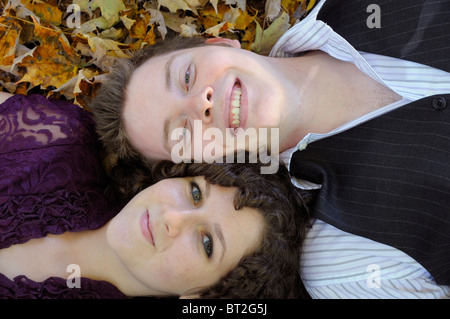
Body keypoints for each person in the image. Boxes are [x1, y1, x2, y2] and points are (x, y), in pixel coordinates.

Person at [89, 0, 450, 298]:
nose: (201, 102)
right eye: (182, 132)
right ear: (208, 166)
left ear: (218, 45)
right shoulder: (349, 261)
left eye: (186, 77)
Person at [0, 92, 311, 298]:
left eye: (206, 243)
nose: (172, 218)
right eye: (194, 192)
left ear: (202, 295)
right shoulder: (57, 143)